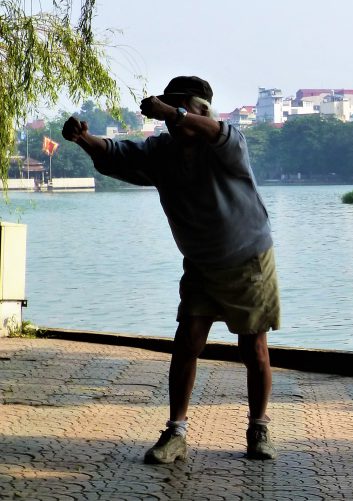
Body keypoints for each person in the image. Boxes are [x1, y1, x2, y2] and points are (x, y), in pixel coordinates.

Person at [61, 76, 281, 463]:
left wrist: (169, 111)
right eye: (166, 112)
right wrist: (83, 139)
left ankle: (258, 428)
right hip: (200, 263)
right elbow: (117, 153)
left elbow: (215, 131)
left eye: (179, 109)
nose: (169, 121)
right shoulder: (162, 152)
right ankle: (176, 432)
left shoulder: (228, 144)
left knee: (254, 348)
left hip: (248, 258)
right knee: (187, 343)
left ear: (200, 110)